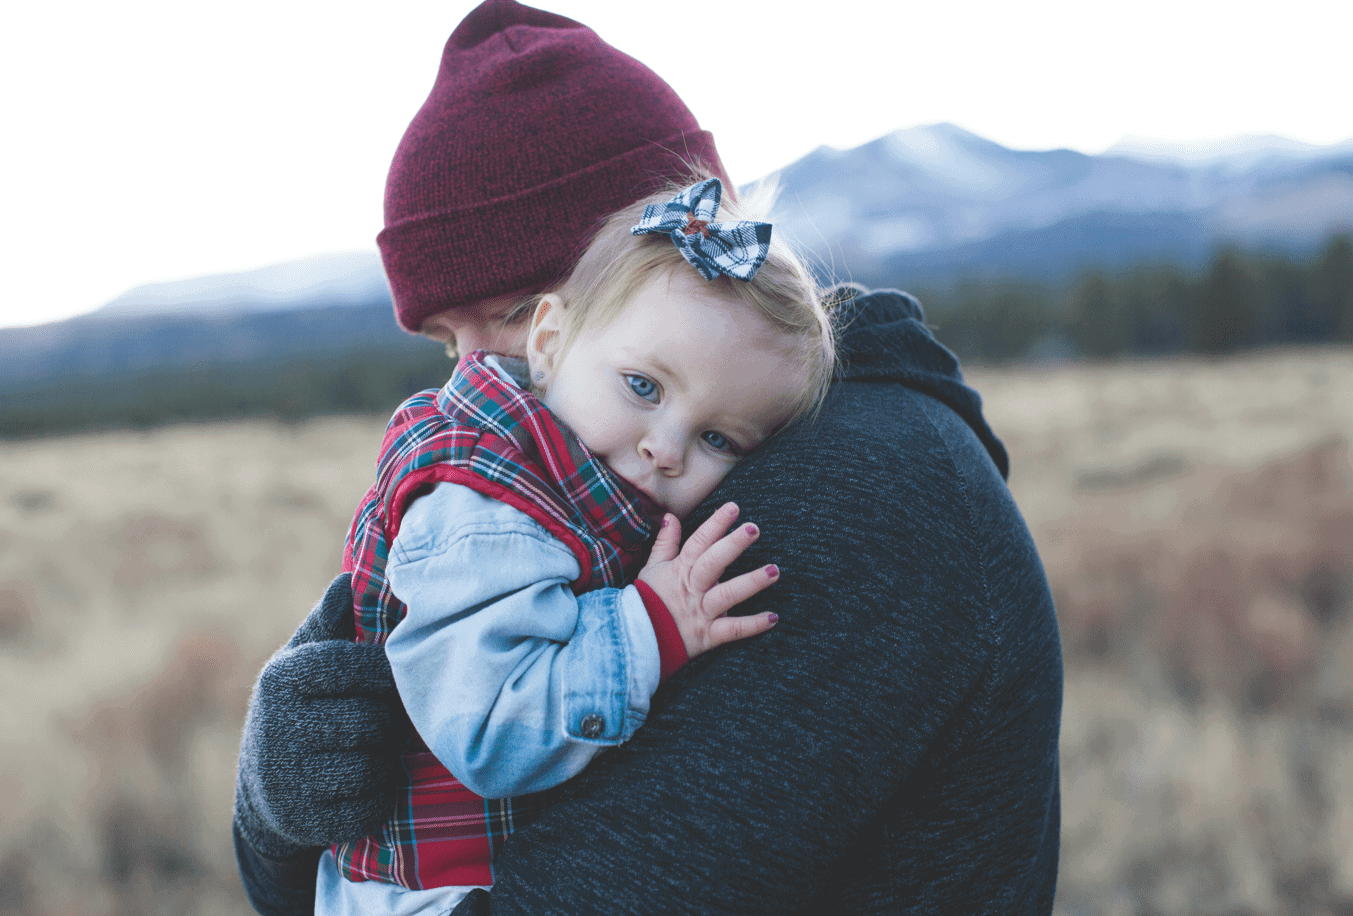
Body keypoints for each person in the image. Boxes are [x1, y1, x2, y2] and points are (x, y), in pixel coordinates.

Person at [233, 2, 1063, 914]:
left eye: (512, 314)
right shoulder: (562, 484)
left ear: (669, 257)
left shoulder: (853, 494)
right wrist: (277, 796)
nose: (475, 379)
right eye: (443, 342)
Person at [320, 175, 833, 915]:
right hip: (429, 896)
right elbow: (490, 729)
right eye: (643, 387)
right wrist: (650, 626)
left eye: (717, 438)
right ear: (551, 343)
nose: (665, 449)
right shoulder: (483, 507)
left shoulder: (582, 477)